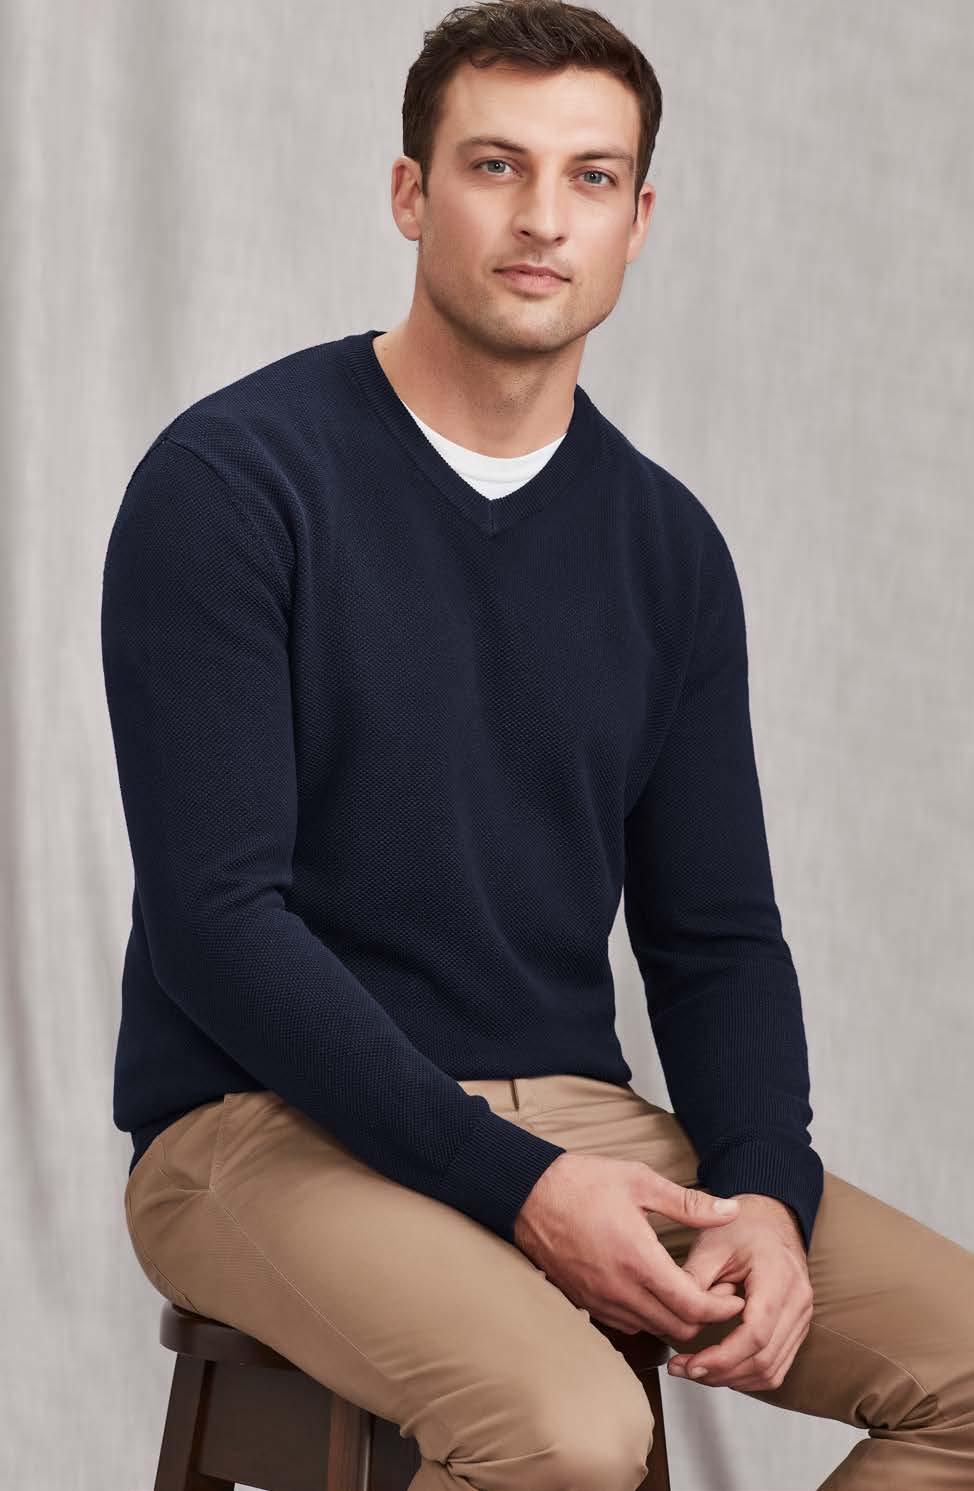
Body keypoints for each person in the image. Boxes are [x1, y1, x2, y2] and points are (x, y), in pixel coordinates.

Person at [101, 3, 974, 1488]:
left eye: (589, 177)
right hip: (257, 1124)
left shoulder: (666, 548)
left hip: (579, 1121)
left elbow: (714, 938)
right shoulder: (233, 483)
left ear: (638, 221)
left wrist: (764, 1193)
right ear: (410, 192)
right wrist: (521, 1188)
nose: (541, 219)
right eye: (495, 165)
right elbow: (217, 925)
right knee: (570, 1434)